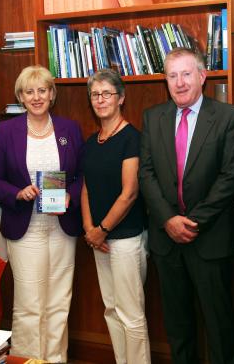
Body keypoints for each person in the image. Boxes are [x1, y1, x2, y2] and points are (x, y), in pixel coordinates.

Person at [138, 47, 234, 364]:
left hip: (209, 239)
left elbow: (231, 176)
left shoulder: (228, 117)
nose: (180, 82)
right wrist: (169, 219)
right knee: (178, 325)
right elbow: (147, 173)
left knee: (219, 325)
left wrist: (192, 222)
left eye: (186, 74)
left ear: (202, 76)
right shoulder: (153, 117)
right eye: (172, 76)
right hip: (166, 241)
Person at [0, 65, 83, 361]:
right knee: (29, 305)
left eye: (42, 90)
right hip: (25, 228)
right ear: (21, 97)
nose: (37, 97)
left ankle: (55, 360)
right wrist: (17, 193)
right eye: (30, 91)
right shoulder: (6, 131)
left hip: (61, 228)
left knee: (59, 302)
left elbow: (83, 176)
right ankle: (27, 361)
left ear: (52, 94)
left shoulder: (70, 128)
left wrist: (69, 195)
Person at [81, 69, 151, 363]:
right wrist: (89, 229)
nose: (100, 100)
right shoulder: (91, 141)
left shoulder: (131, 138)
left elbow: (130, 193)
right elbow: (86, 187)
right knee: (111, 309)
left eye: (107, 93)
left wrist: (103, 229)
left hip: (125, 239)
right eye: (95, 95)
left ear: (121, 98)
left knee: (131, 314)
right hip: (99, 239)